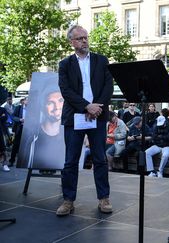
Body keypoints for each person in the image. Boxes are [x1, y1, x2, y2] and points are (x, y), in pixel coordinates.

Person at [56, 25, 114, 216]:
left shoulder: (101, 60)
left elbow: (108, 87)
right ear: (71, 42)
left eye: (85, 37)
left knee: (100, 159)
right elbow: (66, 91)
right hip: (75, 117)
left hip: (97, 116)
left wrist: (96, 107)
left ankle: (104, 199)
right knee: (70, 161)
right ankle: (68, 200)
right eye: (80, 38)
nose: (84, 41)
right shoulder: (65, 64)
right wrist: (86, 106)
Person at [20, 85, 65, 173]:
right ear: (42, 107)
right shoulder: (32, 138)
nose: (57, 107)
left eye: (61, 100)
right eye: (50, 103)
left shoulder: (68, 135)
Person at [9, 97, 28, 167]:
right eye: (27, 100)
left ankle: (24, 162)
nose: (28, 102)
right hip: (19, 128)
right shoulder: (18, 108)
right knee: (15, 145)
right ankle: (11, 161)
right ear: (24, 101)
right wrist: (20, 119)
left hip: (28, 129)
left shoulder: (32, 109)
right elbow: (13, 116)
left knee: (26, 145)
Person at [0, 106, 9, 172]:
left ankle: (5, 164)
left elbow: (5, 118)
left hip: (1, 131)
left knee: (3, 148)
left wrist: (2, 117)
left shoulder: (3, 109)